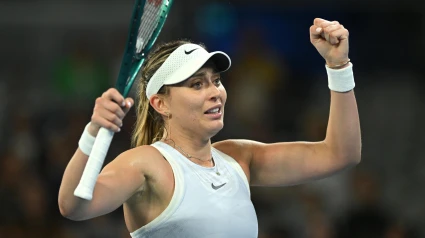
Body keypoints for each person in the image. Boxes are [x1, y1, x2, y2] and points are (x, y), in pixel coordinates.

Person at [58, 18, 361, 238]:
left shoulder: (239, 158)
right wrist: (93, 132)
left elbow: (341, 154)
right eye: (197, 84)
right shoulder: (146, 163)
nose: (215, 91)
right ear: (160, 104)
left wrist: (338, 66)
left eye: (216, 81)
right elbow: (74, 206)